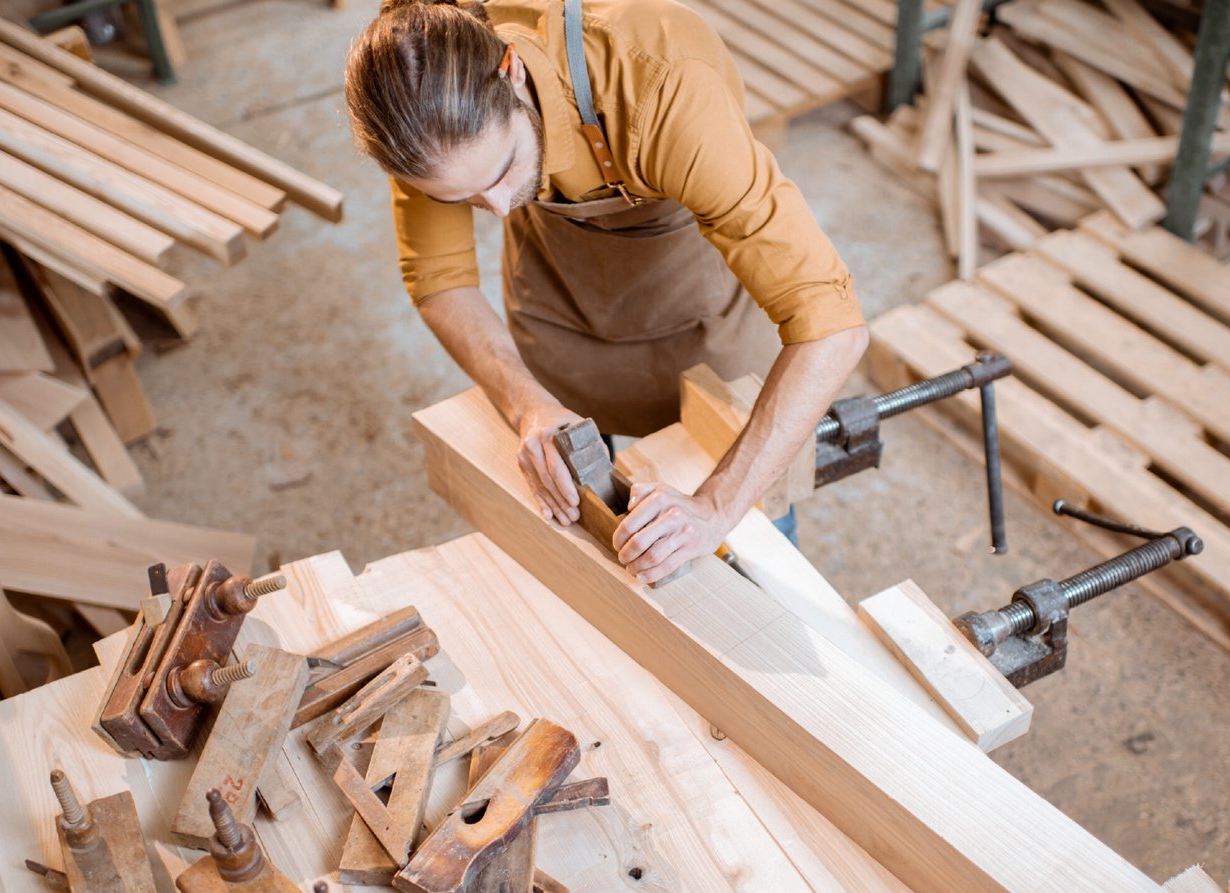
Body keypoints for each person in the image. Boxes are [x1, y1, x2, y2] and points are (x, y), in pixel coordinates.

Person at [345, 0, 867, 584]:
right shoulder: (419, 102)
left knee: (753, 548)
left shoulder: (664, 87)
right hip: (560, 306)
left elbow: (831, 323)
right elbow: (440, 279)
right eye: (461, 197)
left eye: (504, 171)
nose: (495, 208)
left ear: (512, 72)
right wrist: (529, 406)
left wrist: (716, 508)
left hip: (698, 319)